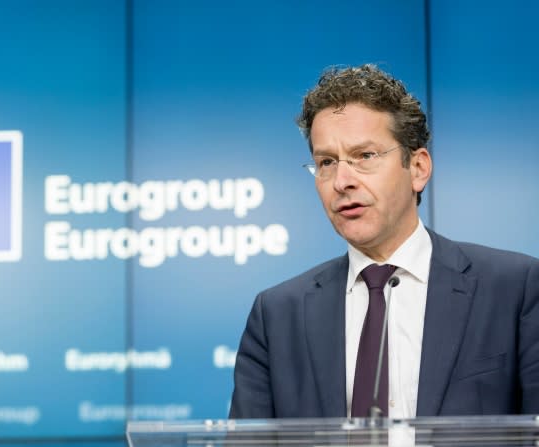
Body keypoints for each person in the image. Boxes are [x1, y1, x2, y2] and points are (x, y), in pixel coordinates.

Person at [229, 64, 539, 419]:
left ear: (418, 168)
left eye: (365, 156)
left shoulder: (514, 288)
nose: (342, 180)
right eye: (327, 162)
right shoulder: (277, 314)